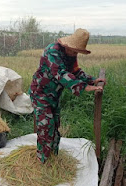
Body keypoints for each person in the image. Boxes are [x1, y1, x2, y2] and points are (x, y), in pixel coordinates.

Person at [29, 28, 106, 163]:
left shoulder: (71, 54)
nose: (75, 53)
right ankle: (42, 160)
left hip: (54, 95)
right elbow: (60, 73)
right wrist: (83, 87)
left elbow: (75, 71)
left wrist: (91, 80)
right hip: (40, 93)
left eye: (77, 51)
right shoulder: (52, 51)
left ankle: (52, 157)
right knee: (46, 125)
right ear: (67, 45)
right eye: (74, 50)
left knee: (55, 124)